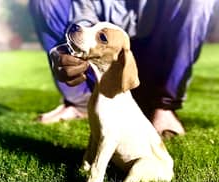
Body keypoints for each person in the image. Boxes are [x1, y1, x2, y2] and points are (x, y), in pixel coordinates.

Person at [29, 0, 217, 137]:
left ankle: (164, 107)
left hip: (156, 60)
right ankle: (80, 101)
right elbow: (82, 18)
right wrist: (70, 48)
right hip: (98, 70)